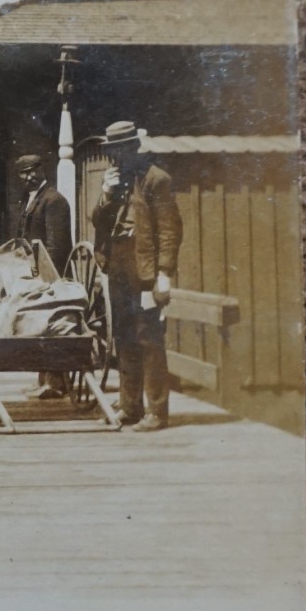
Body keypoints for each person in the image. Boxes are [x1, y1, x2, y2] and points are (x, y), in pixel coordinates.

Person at [91, 121, 182, 432]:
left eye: (120, 150)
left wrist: (164, 275)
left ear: (132, 148)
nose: (115, 156)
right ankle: (130, 408)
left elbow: (170, 232)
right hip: (118, 263)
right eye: (111, 151)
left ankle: (157, 412)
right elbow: (98, 222)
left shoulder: (157, 180)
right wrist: (106, 195)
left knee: (149, 339)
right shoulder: (117, 181)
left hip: (144, 266)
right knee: (124, 337)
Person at [13, 154, 74, 400]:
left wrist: (46, 276)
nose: (29, 176)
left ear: (42, 169)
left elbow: (56, 246)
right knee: (39, 326)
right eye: (23, 173)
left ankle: (56, 382)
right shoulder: (30, 199)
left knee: (52, 326)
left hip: (51, 275)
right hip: (34, 272)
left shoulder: (54, 200)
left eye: (33, 171)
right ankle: (44, 379)